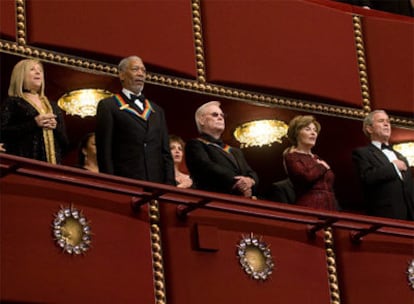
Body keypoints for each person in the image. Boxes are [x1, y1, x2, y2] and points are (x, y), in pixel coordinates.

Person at [95, 55, 175, 185]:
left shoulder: (157, 111)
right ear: (121, 75)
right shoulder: (109, 106)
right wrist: (110, 184)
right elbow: (105, 151)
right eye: (135, 69)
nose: (141, 74)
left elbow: (165, 154)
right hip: (125, 182)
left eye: (143, 71)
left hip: (157, 185)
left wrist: (170, 186)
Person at [0, 59, 68, 164]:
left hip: (53, 166)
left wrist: (55, 128)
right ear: (20, 76)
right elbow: (3, 132)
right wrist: (34, 123)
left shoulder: (53, 106)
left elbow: (65, 143)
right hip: (24, 163)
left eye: (40, 70)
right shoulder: (13, 102)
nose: (38, 72)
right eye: (32, 69)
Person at [185, 101, 258, 197]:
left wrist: (250, 181)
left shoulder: (235, 151)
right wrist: (238, 183)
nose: (220, 118)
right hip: (212, 200)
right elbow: (207, 167)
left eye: (222, 115)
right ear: (201, 120)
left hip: (241, 200)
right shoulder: (195, 145)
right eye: (215, 115)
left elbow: (251, 172)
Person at [352, 110, 413, 221]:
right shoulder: (362, 153)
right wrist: (393, 167)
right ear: (369, 129)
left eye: (388, 122)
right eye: (381, 121)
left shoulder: (401, 157)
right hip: (386, 217)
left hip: (410, 218)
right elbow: (367, 177)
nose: (386, 124)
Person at [283, 115, 338, 211]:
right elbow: (306, 176)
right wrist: (322, 167)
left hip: (330, 208)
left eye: (315, 130)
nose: (313, 133)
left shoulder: (317, 158)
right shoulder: (292, 157)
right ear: (297, 133)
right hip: (310, 207)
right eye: (308, 129)